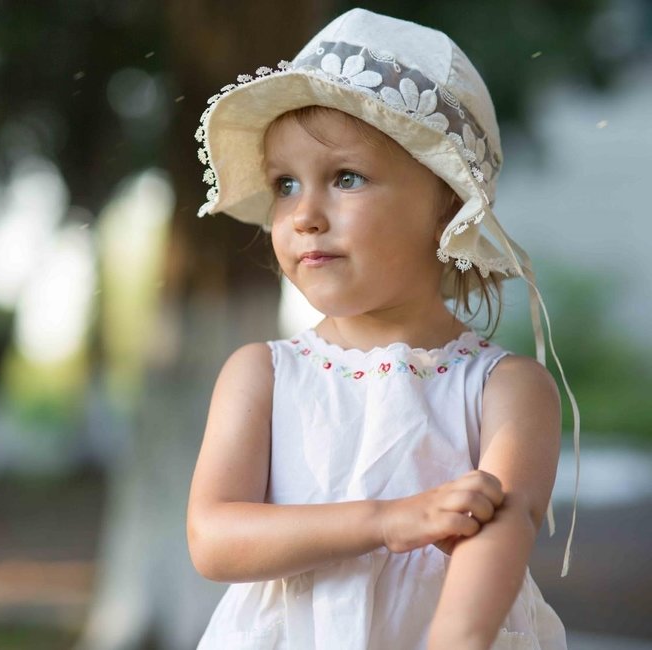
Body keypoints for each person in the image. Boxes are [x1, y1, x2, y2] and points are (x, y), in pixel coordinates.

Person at [186, 8, 579, 650]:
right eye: (285, 184)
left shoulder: (506, 390)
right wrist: (387, 521)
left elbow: (500, 539)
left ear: (446, 206)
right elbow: (213, 538)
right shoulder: (263, 373)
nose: (305, 214)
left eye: (345, 178)